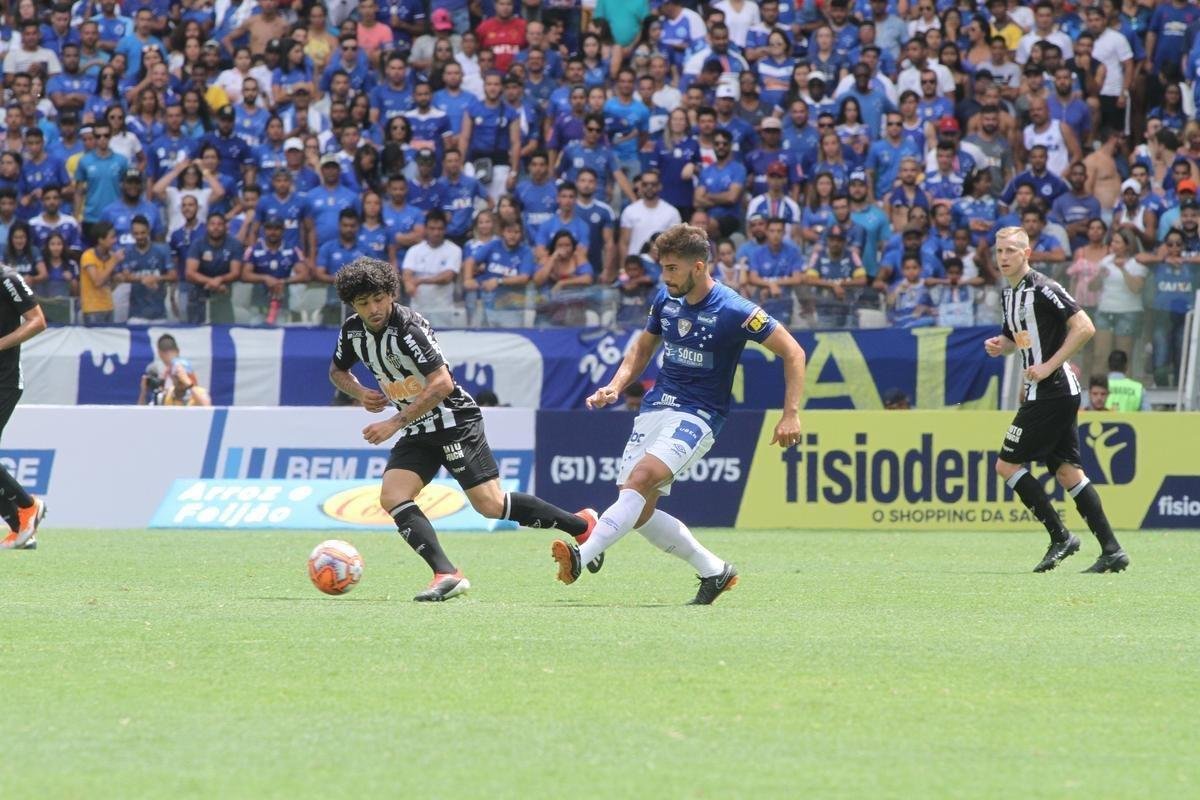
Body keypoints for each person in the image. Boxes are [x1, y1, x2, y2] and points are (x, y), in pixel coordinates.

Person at [550, 223, 808, 604]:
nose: (665, 276)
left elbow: (794, 352)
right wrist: (616, 386)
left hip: (700, 414)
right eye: (663, 268)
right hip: (657, 407)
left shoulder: (735, 309)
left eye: (673, 268)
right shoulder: (665, 299)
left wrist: (791, 414)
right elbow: (642, 350)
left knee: (640, 480)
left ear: (699, 267)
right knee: (637, 513)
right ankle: (715, 571)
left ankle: (582, 554)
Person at [328, 257, 603, 601]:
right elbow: (337, 371)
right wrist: (361, 393)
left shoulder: (408, 329)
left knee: (489, 505)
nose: (373, 309)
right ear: (352, 305)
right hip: (417, 429)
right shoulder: (353, 331)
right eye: (363, 303)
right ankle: (447, 574)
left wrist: (393, 422)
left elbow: (442, 383)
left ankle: (582, 526)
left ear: (391, 294)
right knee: (393, 496)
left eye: (379, 299)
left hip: (455, 422)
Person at [984, 226, 1129, 574]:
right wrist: (999, 346)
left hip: (1053, 391)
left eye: (1011, 251)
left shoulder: (1045, 288)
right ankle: (1112, 549)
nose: (1003, 257)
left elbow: (1085, 326)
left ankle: (1061, 536)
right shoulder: (1010, 295)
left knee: (1006, 465)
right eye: (999, 251)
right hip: (1052, 392)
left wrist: (1049, 365)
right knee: (1066, 472)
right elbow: (1014, 339)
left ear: (1027, 253)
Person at [0, 264, 47, 549]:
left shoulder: (7, 279)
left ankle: (28, 507)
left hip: (4, 381)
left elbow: (38, 321)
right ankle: (21, 529)